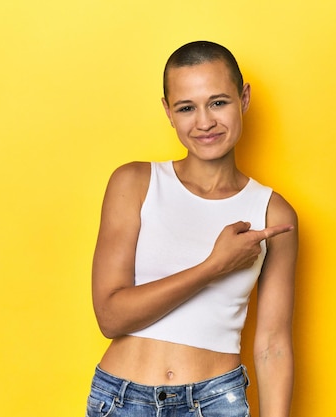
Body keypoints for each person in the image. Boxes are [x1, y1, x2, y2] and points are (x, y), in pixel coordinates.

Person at [85, 40, 298, 417]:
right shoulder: (134, 183)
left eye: (218, 102)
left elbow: (273, 343)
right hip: (122, 400)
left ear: (243, 98)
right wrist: (214, 266)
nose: (204, 122)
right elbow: (110, 316)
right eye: (187, 107)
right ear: (168, 111)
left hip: (216, 403)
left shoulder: (272, 211)